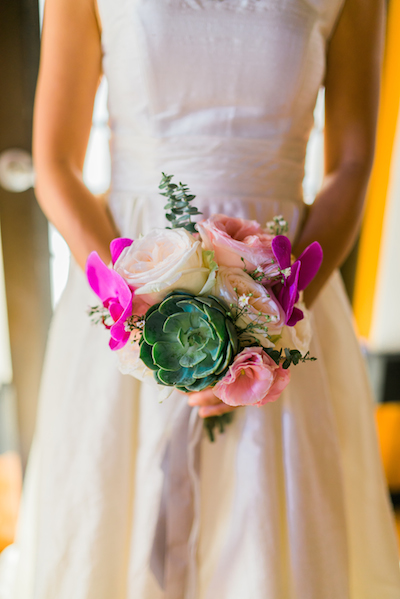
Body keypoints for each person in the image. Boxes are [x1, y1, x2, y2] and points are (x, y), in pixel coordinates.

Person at [3, 0, 400, 597]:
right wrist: (136, 304)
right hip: (129, 288)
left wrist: (270, 324)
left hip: (284, 295)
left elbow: (351, 165)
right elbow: (57, 164)